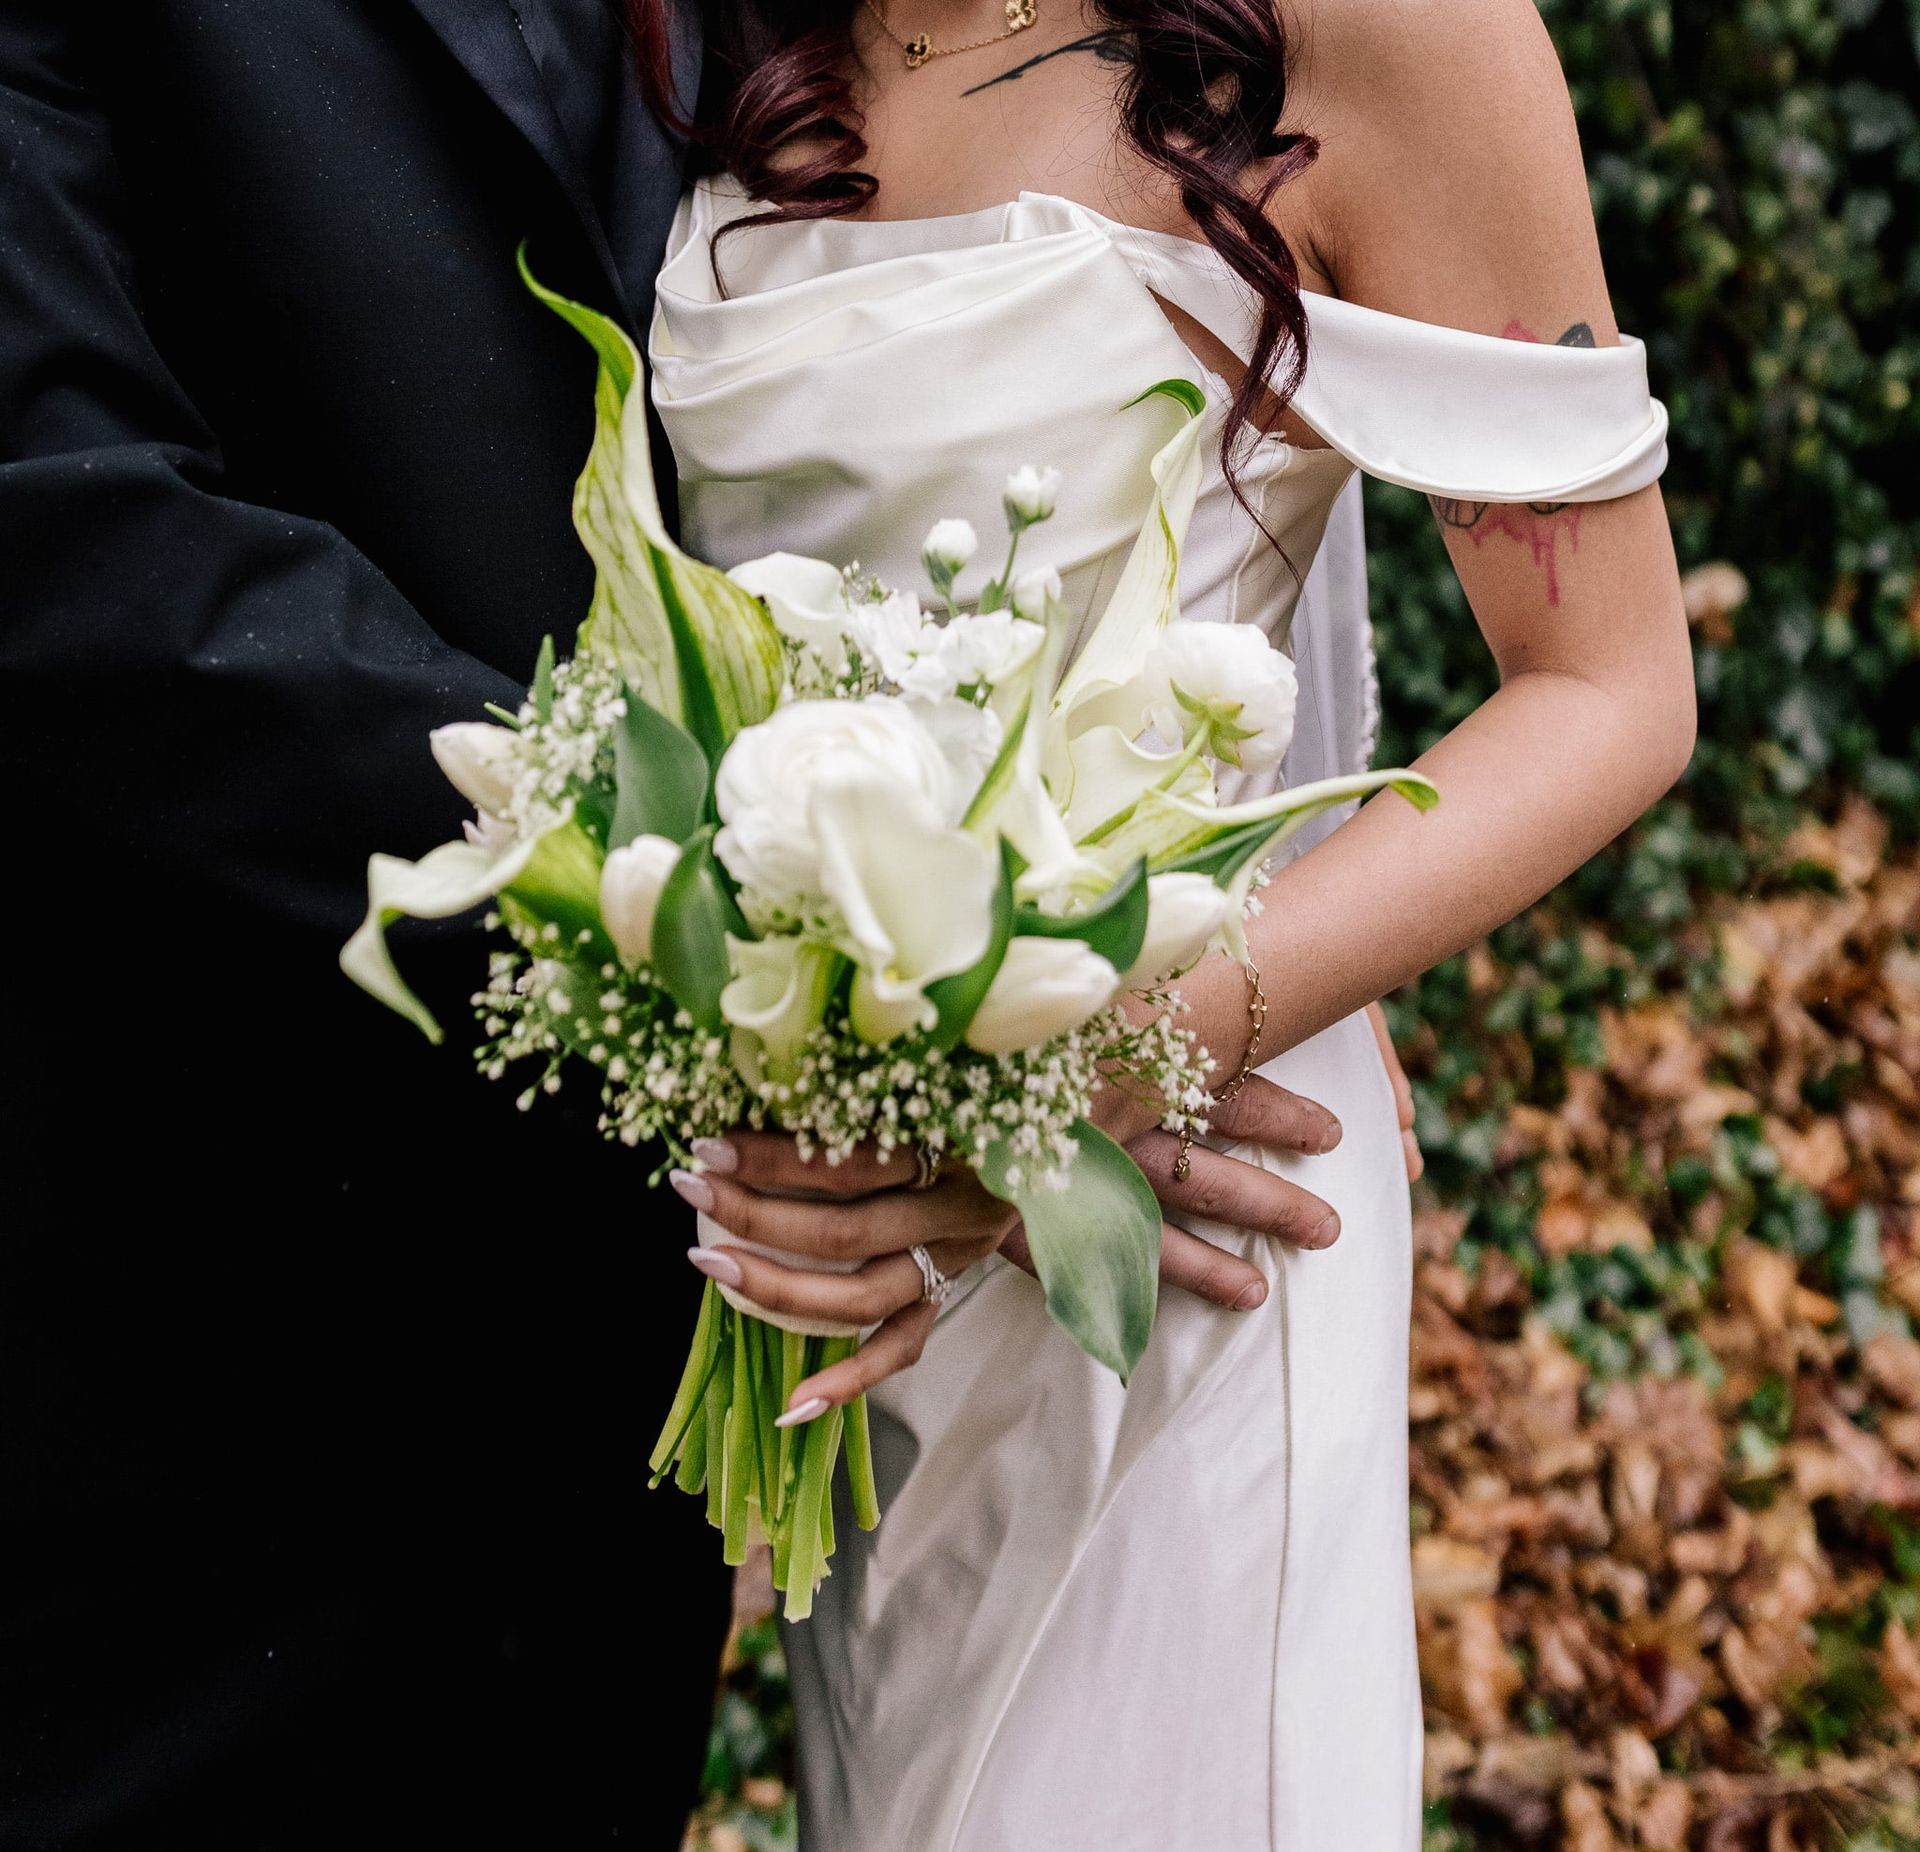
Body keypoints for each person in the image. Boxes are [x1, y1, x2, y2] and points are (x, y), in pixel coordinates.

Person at [0, 4, 1377, 1843]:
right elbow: (62, 522)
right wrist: (786, 929)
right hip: (221, 1327)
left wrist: (1129, 997)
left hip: (720, 1326)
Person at [643, 0, 1696, 1845]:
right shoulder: (723, 23)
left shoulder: (1388, 33)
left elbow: (1610, 685)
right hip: (873, 1313)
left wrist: (1116, 1064)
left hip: (1173, 1247)